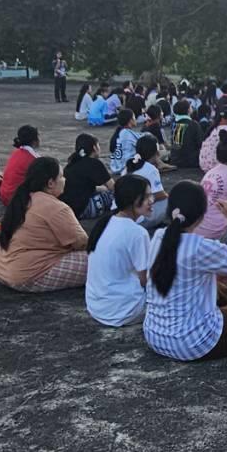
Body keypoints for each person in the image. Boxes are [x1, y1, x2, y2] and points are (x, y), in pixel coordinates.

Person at [144, 180, 227, 360]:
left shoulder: (158, 237)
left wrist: (214, 276)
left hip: (155, 336)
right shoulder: (199, 247)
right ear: (201, 215)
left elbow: (180, 271)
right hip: (194, 343)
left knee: (219, 288)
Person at [0, 156, 91, 292]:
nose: (65, 180)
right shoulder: (56, 207)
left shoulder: (23, 198)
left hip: (1, 269)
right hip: (25, 275)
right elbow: (82, 243)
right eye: (61, 176)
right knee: (103, 259)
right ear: (51, 183)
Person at [85, 175, 154, 326]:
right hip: (123, 311)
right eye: (146, 197)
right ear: (132, 200)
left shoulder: (105, 222)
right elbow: (145, 281)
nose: (151, 200)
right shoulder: (137, 233)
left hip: (96, 306)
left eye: (151, 195)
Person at [60, 133, 113, 221]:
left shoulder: (72, 162)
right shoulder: (95, 163)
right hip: (83, 209)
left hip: (68, 210)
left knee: (103, 189)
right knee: (115, 194)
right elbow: (113, 187)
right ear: (94, 147)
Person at [125, 137, 169, 222]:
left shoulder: (130, 165)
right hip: (137, 219)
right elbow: (159, 194)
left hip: (120, 214)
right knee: (170, 201)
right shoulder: (151, 169)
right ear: (156, 153)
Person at [0, 125, 41, 206]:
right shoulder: (33, 159)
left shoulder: (16, 152)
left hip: (5, 195)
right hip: (15, 200)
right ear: (34, 141)